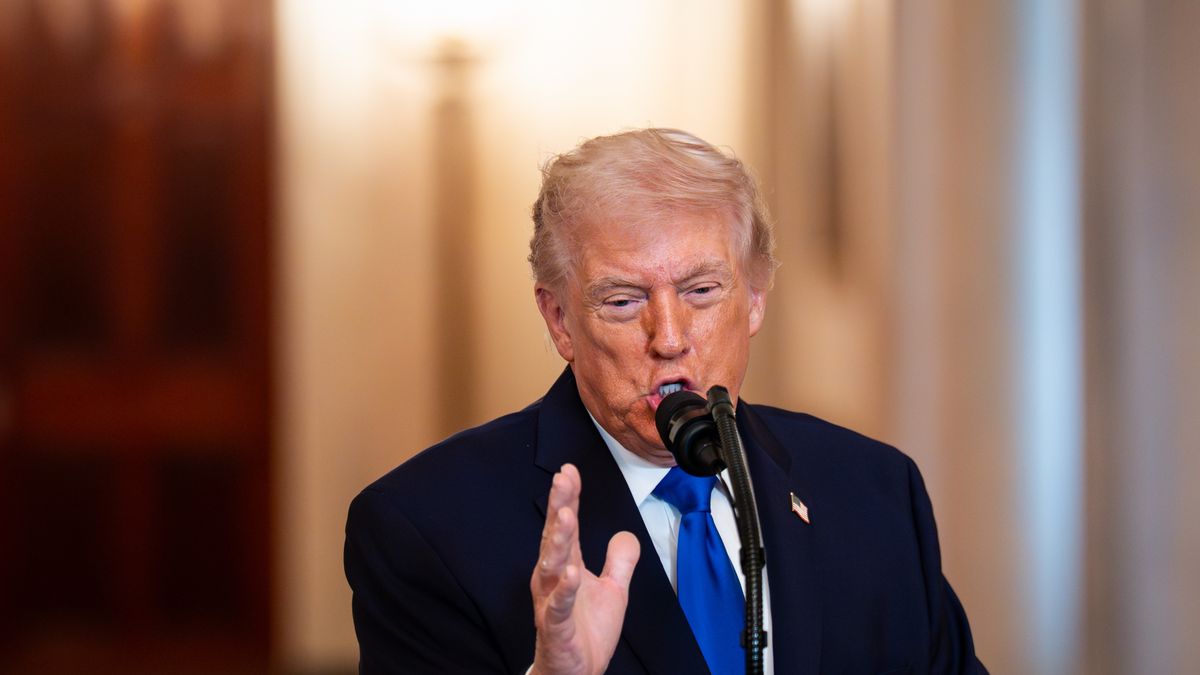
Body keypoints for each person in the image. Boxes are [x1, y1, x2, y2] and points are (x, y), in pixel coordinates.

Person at [344, 128, 987, 674]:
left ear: (756, 297)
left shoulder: (874, 490)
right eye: (623, 301)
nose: (670, 339)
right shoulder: (422, 528)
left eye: (702, 291)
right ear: (560, 320)